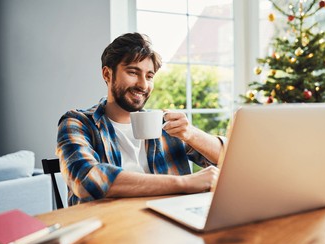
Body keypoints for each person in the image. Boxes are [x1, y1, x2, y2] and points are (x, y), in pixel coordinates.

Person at [56, 33, 225, 206]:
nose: (143, 85)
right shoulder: (77, 122)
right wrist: (185, 183)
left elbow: (231, 161)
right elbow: (86, 179)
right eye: (133, 72)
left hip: (168, 222)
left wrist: (191, 134)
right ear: (107, 74)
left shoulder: (165, 123)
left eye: (149, 76)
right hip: (109, 225)